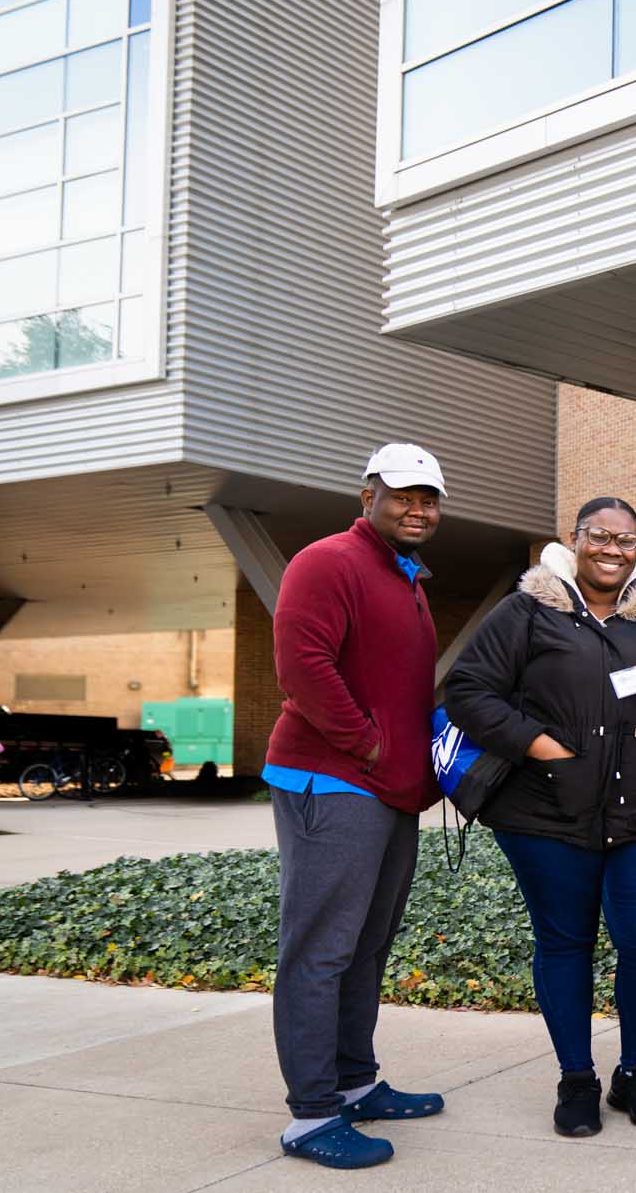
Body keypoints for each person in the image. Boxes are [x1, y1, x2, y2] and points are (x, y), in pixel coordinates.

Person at [444, 497, 636, 1139]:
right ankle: (576, 1078)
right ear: (575, 540)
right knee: (565, 942)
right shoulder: (526, 611)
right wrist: (539, 745)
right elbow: (468, 689)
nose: (613, 549)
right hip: (546, 813)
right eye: (600, 536)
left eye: (627, 539)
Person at [266, 443, 450, 1170]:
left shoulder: (403, 575)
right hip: (333, 779)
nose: (417, 508)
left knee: (365, 948)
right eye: (403, 494)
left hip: (388, 789)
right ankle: (311, 1115)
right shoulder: (328, 559)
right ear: (368, 492)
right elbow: (301, 664)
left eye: (428, 497)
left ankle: (355, 1080)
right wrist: (368, 744)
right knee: (320, 950)